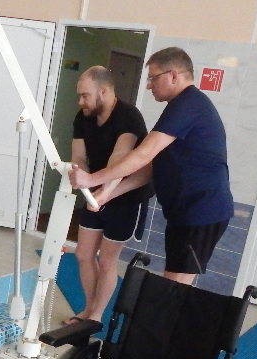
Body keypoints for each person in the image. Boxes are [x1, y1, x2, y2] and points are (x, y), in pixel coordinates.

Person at [69, 48, 234, 286]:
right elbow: (150, 167)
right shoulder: (179, 106)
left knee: (174, 285)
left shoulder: (189, 104)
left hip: (201, 210)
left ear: (173, 75)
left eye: (153, 78)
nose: (149, 85)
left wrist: (92, 180)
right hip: (185, 211)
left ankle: (167, 313)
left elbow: (142, 155)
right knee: (172, 281)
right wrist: (107, 193)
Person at [64, 66, 154, 325]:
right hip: (96, 189)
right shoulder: (83, 117)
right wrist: (83, 178)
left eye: (85, 95)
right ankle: (88, 308)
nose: (80, 102)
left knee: (107, 259)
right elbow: (79, 156)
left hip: (126, 195)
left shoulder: (129, 116)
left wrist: (104, 191)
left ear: (103, 92)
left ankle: (96, 315)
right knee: (83, 254)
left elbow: (120, 158)